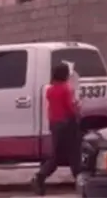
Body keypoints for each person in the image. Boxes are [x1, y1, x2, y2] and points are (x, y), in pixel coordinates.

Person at [32, 62, 81, 196]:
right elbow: (70, 108)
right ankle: (80, 180)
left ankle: (40, 176)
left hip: (55, 124)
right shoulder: (66, 89)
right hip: (67, 124)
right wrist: (78, 108)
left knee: (57, 155)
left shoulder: (50, 90)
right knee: (74, 153)